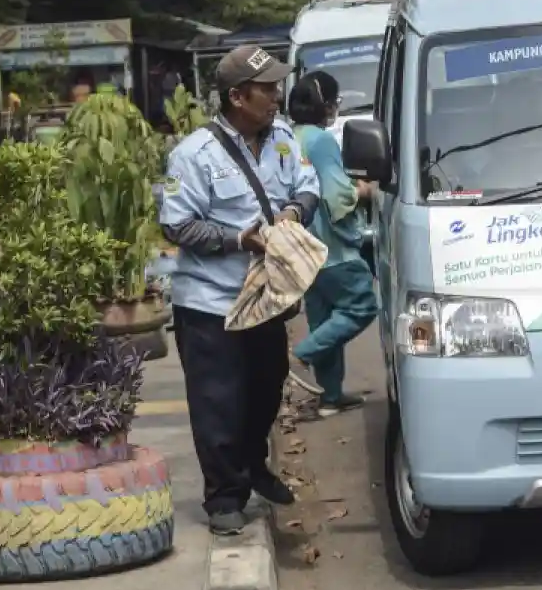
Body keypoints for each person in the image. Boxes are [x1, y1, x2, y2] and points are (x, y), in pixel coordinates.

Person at [159, 45, 321, 536]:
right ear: (236, 96)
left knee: (266, 387)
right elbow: (177, 225)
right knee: (218, 402)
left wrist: (293, 213)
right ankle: (224, 497)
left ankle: (251, 464)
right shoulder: (193, 155)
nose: (276, 96)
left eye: (277, 86)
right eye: (267, 88)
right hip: (211, 302)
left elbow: (307, 187)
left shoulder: (285, 141)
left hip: (266, 298)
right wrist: (239, 239)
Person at [288, 72, 378, 417]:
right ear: (324, 105)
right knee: (360, 307)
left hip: (302, 248)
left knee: (324, 319)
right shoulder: (322, 140)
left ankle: (330, 397)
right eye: (335, 102)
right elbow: (338, 196)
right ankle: (302, 354)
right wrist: (365, 191)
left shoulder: (287, 137)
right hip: (333, 248)